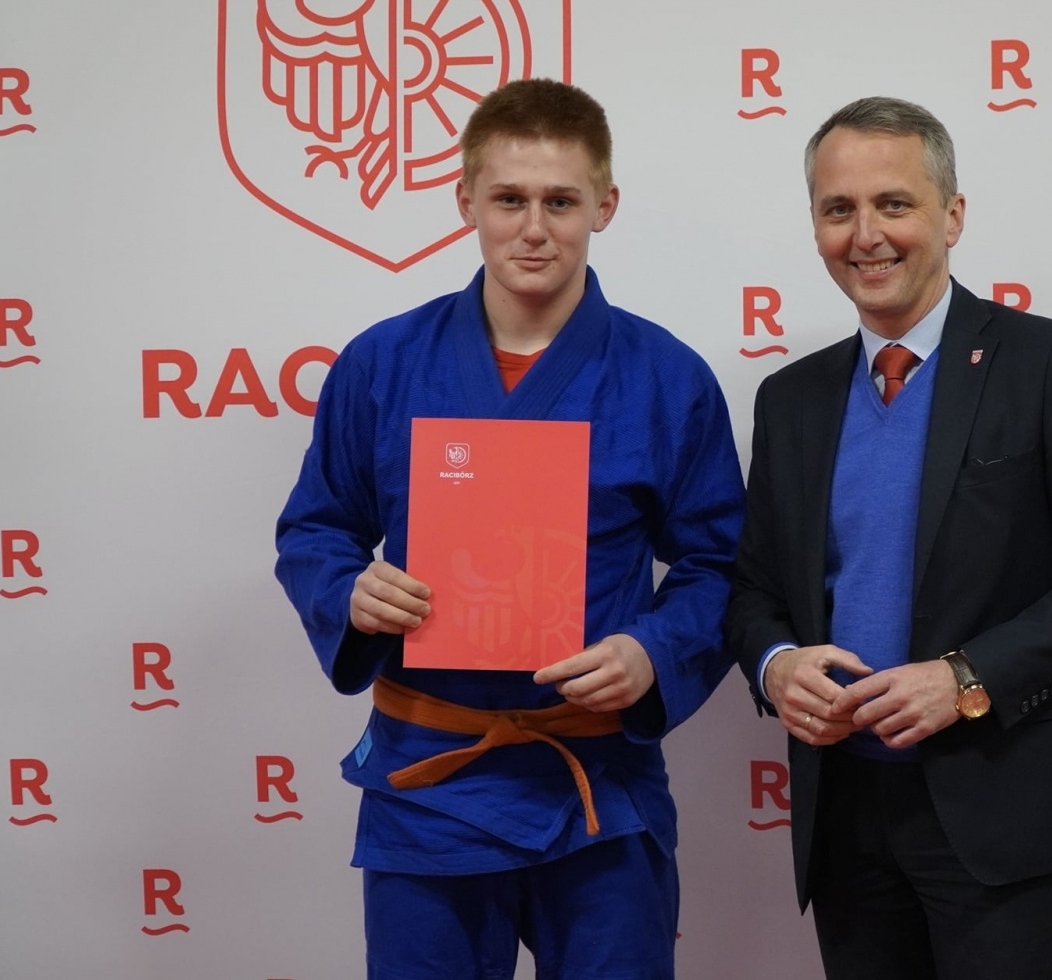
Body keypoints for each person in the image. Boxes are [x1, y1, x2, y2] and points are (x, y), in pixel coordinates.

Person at [275, 78, 746, 980]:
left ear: (604, 206)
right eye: (509, 200)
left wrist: (652, 651)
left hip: (599, 784)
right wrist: (349, 591)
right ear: (466, 202)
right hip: (428, 780)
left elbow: (719, 564)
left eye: (561, 202)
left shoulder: (667, 377)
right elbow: (316, 529)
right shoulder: (381, 364)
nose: (534, 228)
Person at [723, 97, 1052, 980]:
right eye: (838, 209)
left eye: (893, 204)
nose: (866, 235)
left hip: (1002, 806)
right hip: (844, 815)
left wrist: (966, 679)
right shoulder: (791, 399)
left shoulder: (1046, 364)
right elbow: (753, 590)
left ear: (952, 216)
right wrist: (776, 664)